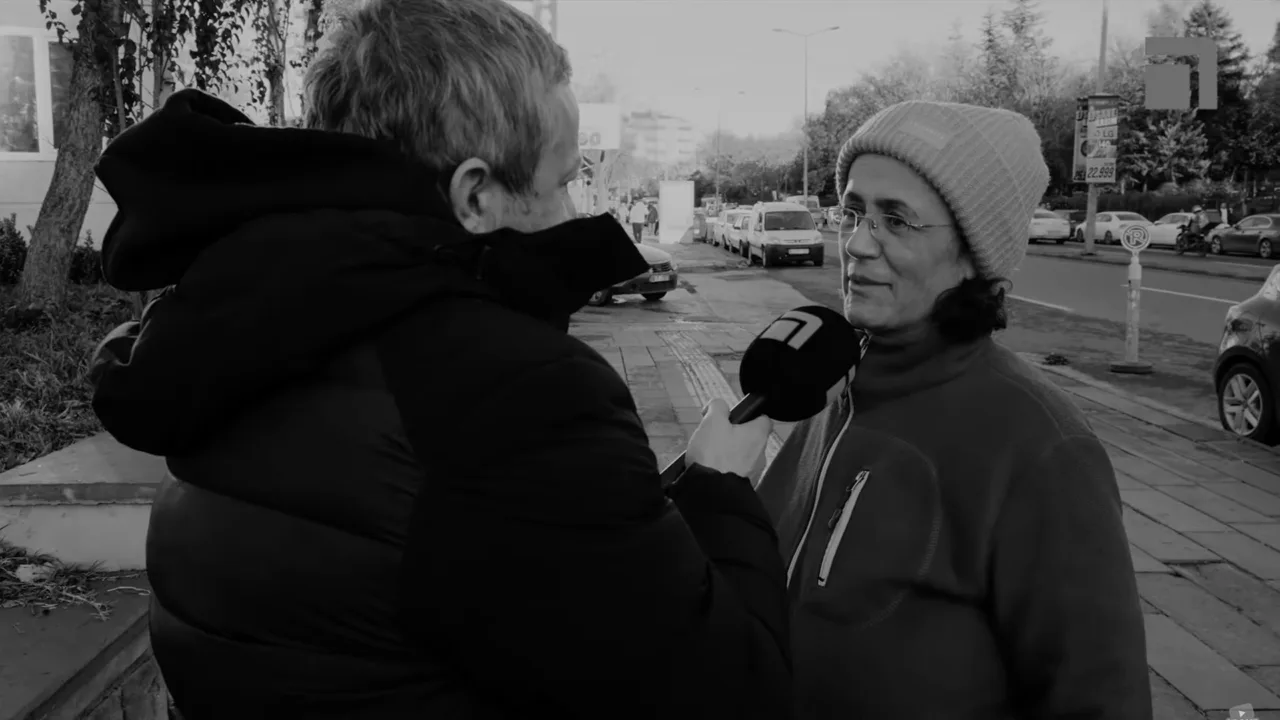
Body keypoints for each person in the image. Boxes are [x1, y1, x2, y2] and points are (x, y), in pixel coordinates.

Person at [87, 0, 793, 717]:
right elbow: (729, 693)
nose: (578, 212)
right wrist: (720, 488)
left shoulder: (233, 327)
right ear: (475, 195)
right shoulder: (517, 392)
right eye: (563, 182)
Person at [755, 101, 1150, 719]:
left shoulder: (1039, 445)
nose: (857, 243)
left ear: (973, 253)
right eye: (852, 213)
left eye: (896, 220)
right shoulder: (835, 388)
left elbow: (1100, 698)